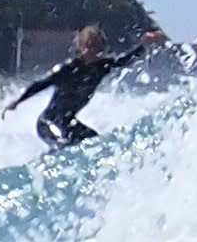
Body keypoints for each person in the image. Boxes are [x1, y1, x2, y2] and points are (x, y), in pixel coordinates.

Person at [13, 20, 162, 150]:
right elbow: (41, 84)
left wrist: (144, 45)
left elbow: (124, 61)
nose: (92, 51)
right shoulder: (69, 68)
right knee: (61, 142)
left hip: (67, 122)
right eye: (89, 46)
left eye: (96, 47)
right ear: (81, 47)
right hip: (47, 123)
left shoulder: (102, 66)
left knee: (95, 141)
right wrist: (17, 102)